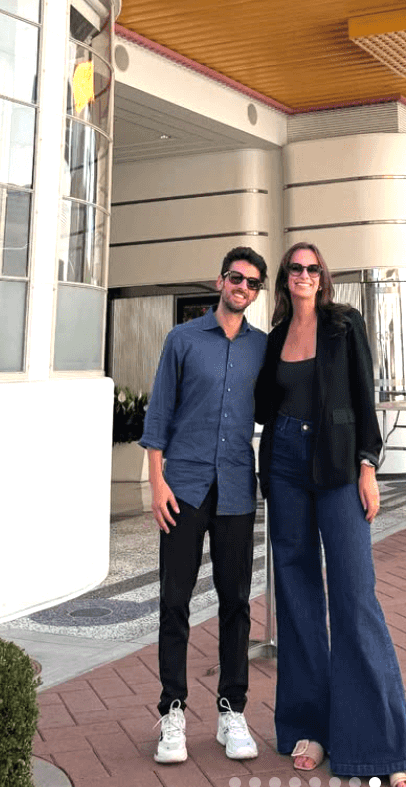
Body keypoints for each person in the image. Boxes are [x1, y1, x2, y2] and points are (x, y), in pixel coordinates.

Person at [255, 241, 406, 786]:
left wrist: (368, 466)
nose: (304, 275)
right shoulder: (276, 337)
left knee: (354, 596)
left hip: (337, 466)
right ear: (285, 279)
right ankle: (311, 727)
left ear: (323, 278)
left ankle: (387, 749)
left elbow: (362, 396)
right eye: (295, 269)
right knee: (298, 598)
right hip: (283, 465)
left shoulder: (343, 325)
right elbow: (264, 403)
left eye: (312, 268)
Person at [140, 247, 268, 765]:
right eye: (237, 278)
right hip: (185, 487)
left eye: (253, 283)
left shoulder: (264, 347)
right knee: (174, 602)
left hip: (237, 488)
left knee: (236, 603)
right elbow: (158, 415)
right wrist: (157, 484)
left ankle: (230, 712)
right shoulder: (183, 339)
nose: (243, 287)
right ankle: (172, 711)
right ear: (220, 282)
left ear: (257, 292)